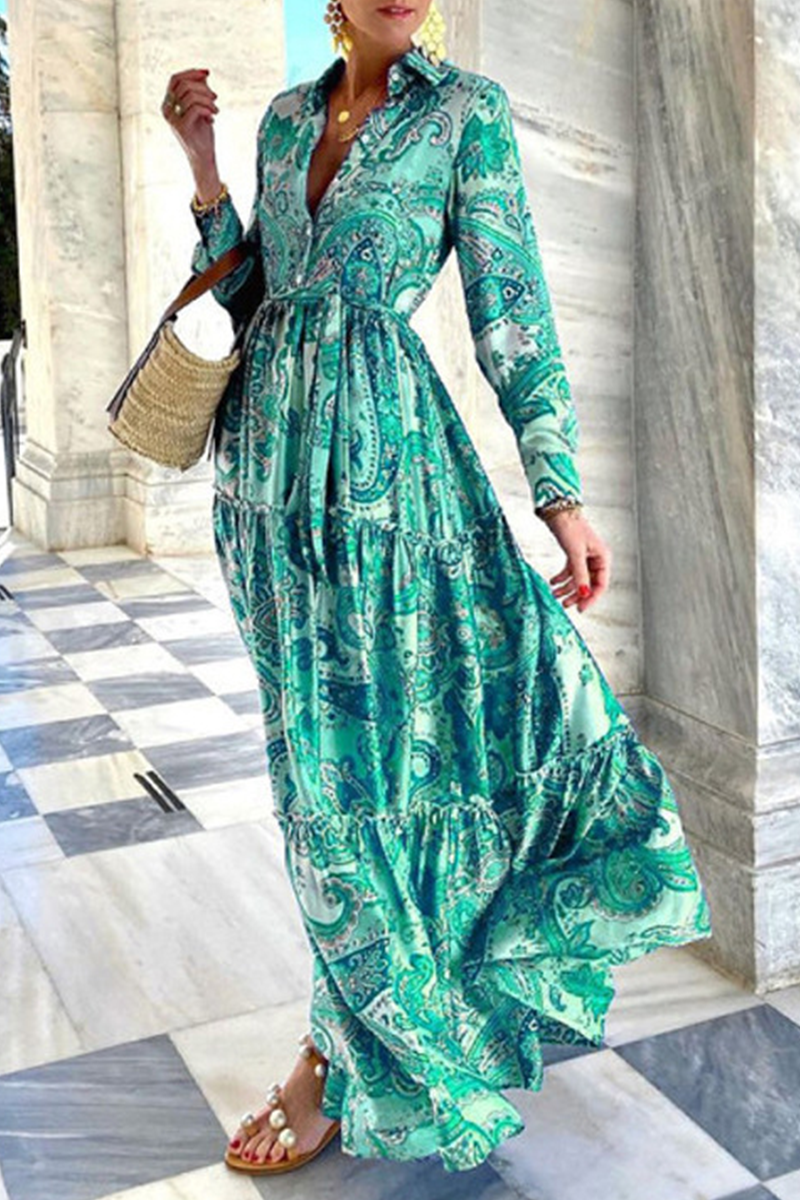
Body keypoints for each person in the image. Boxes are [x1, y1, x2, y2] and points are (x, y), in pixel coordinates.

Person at [161, 0, 712, 1178]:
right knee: (310, 768)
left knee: (365, 777)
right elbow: (255, 299)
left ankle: (339, 1055)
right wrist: (205, 170)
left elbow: (511, 309)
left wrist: (558, 494)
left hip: (388, 483)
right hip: (261, 486)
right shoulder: (284, 118)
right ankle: (366, 1025)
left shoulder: (467, 114)